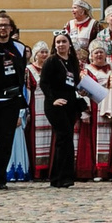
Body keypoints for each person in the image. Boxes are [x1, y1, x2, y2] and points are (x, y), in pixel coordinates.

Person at [40, 35, 83, 188]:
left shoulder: (72, 61)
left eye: (64, 41)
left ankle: (65, 177)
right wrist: (53, 100)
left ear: (69, 44)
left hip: (70, 104)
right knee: (63, 137)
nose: (61, 44)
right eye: (58, 42)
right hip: (55, 105)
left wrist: (82, 92)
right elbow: (44, 83)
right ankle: (58, 177)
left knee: (66, 139)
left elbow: (75, 81)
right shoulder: (51, 61)